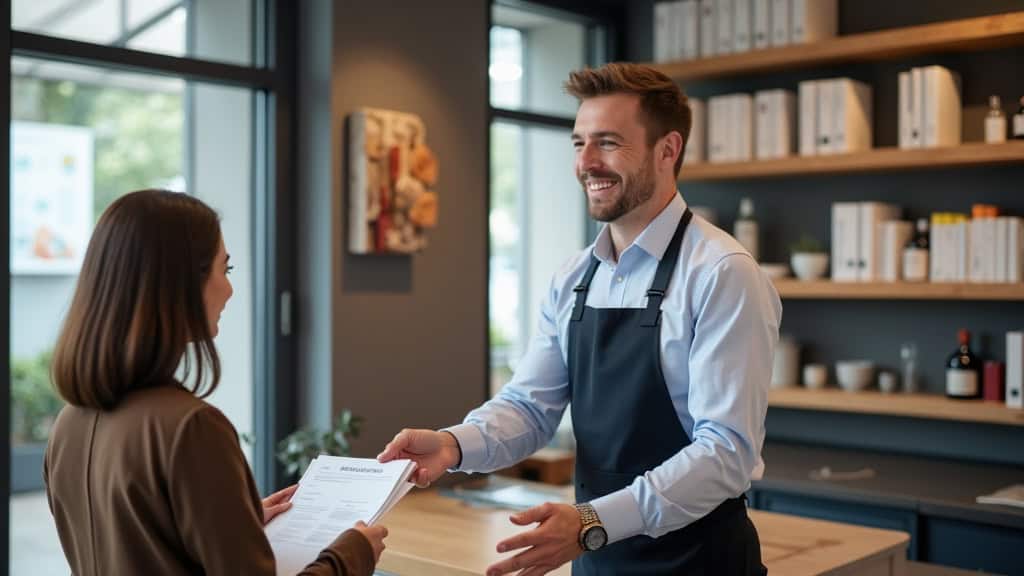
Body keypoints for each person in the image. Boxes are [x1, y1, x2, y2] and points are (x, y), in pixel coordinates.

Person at [378, 63, 781, 575]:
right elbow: (530, 407)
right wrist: (453, 444)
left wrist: (592, 521)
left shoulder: (723, 274)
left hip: (698, 562)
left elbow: (726, 453)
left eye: (608, 143)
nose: (587, 162)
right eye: (578, 143)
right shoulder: (574, 276)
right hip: (594, 558)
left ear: (668, 150)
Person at [44, 189, 387, 576]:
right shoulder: (191, 428)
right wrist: (349, 556)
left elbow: (136, 545)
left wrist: (235, 525)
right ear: (180, 283)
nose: (229, 289)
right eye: (225, 269)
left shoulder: (69, 424)